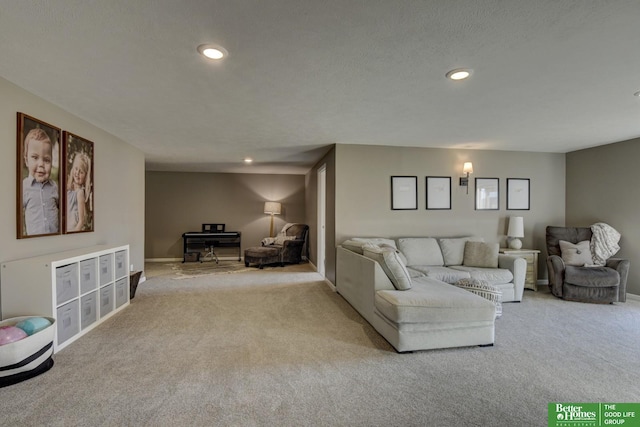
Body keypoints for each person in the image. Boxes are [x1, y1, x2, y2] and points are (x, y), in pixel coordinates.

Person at [22, 128, 59, 235]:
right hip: (34, 244)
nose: (41, 164)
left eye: (46, 160)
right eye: (35, 157)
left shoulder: (54, 187)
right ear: (26, 160)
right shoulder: (24, 187)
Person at [66, 151, 91, 232]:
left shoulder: (80, 193)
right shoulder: (69, 188)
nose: (77, 173)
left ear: (85, 176)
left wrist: (73, 234)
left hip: (72, 230)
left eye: (81, 172)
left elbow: (81, 221)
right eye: (76, 169)